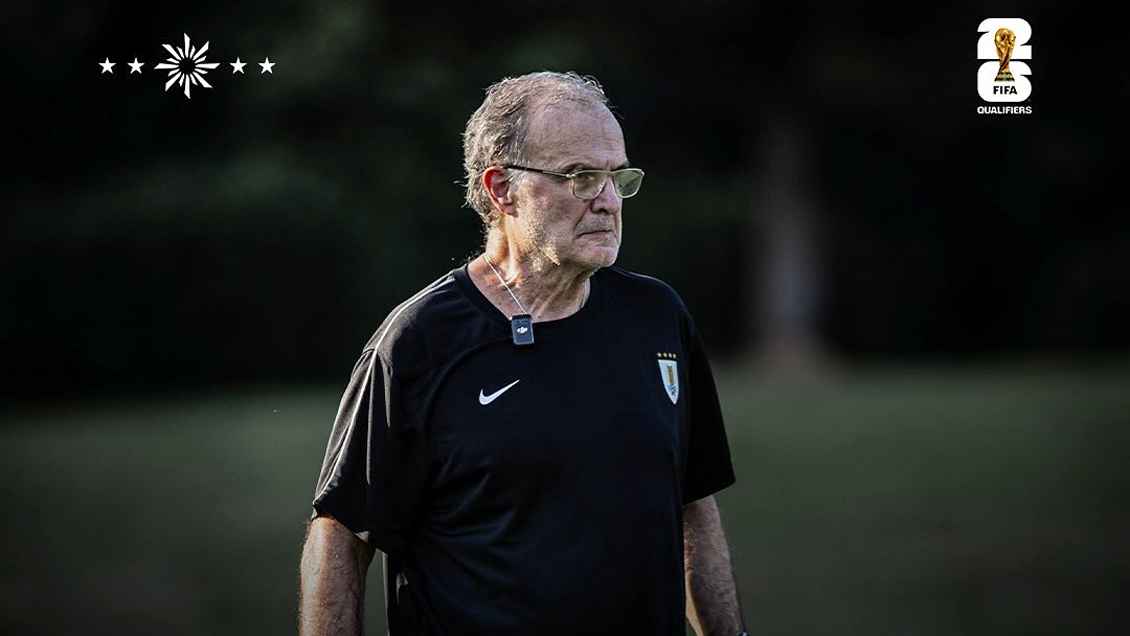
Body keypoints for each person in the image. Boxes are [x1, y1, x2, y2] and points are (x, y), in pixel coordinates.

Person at [299, 71, 746, 636]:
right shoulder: (419, 340)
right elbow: (342, 530)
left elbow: (693, 508)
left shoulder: (658, 317)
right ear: (500, 189)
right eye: (581, 177)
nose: (608, 201)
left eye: (616, 177)